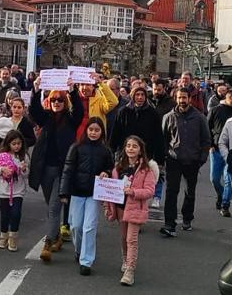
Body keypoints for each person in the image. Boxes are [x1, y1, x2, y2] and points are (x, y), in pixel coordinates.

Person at [29, 80, 85, 262]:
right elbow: (34, 111)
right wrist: (36, 89)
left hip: (63, 170)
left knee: (54, 208)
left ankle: (48, 242)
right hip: (45, 168)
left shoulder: (71, 119)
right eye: (53, 100)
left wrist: (73, 91)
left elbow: (80, 111)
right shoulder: (46, 118)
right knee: (50, 205)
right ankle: (57, 237)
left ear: (65, 102)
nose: (57, 103)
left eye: (60, 100)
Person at [59, 117, 114, 276]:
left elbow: (111, 168)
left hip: (94, 194)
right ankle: (79, 250)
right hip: (77, 192)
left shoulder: (105, 150)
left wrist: (107, 172)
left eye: (97, 130)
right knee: (76, 226)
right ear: (86, 130)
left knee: (89, 227)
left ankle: (86, 261)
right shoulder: (76, 147)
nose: (93, 133)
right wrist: (64, 192)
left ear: (102, 132)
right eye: (91, 129)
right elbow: (67, 170)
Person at [105, 136, 157, 287]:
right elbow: (110, 187)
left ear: (140, 150)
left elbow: (149, 191)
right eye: (128, 146)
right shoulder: (118, 167)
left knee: (131, 239)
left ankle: (130, 271)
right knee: (123, 237)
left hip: (135, 208)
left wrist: (133, 192)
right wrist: (105, 178)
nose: (131, 149)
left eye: (134, 146)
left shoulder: (146, 170)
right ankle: (125, 259)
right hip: (121, 208)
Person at [160, 88, 211, 237]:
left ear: (189, 99)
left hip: (193, 161)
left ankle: (187, 218)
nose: (181, 100)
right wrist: (165, 157)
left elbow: (206, 140)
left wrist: (201, 158)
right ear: (175, 99)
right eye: (179, 98)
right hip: (174, 159)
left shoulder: (199, 118)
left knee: (190, 192)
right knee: (171, 192)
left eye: (184, 98)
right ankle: (169, 224)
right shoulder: (169, 117)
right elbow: (163, 139)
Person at [108, 86, 165, 173]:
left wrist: (159, 160)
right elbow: (115, 134)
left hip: (146, 154)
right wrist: (112, 153)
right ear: (132, 96)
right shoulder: (123, 112)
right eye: (137, 95)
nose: (140, 97)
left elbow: (158, 137)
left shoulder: (153, 113)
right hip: (126, 154)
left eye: (142, 95)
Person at [0, 131, 29, 252]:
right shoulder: (1, 156)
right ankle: (3, 236)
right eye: (14, 144)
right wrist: (2, 169)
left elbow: (27, 174)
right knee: (5, 215)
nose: (17, 146)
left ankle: (13, 237)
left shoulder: (24, 157)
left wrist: (23, 169)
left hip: (18, 191)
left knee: (16, 214)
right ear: (8, 144)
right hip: (4, 191)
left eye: (19, 143)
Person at [208, 90, 232, 216]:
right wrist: (210, 144)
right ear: (228, 97)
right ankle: (221, 194)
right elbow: (207, 127)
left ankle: (225, 204)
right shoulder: (215, 110)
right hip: (216, 149)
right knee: (214, 179)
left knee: (228, 179)